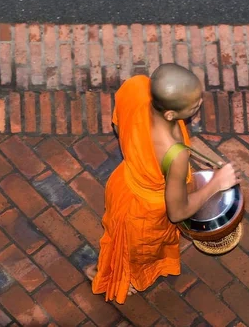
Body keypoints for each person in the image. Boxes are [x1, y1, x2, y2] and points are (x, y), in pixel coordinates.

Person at [86, 64, 239, 304]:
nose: (199, 106)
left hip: (123, 184)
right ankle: (105, 276)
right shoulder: (175, 154)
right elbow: (177, 212)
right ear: (170, 114)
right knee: (133, 252)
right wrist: (216, 183)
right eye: (195, 106)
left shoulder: (136, 87)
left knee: (117, 238)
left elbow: (119, 126)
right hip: (144, 213)